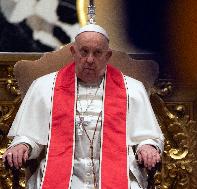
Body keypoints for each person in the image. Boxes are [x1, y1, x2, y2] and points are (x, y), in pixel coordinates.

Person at [2, 24, 164, 189]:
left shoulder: (132, 89)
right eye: (84, 51)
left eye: (97, 53)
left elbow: (146, 135)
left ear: (107, 55)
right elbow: (31, 135)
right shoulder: (44, 87)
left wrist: (147, 146)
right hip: (62, 179)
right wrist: (23, 145)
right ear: (73, 52)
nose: (90, 60)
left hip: (119, 177)